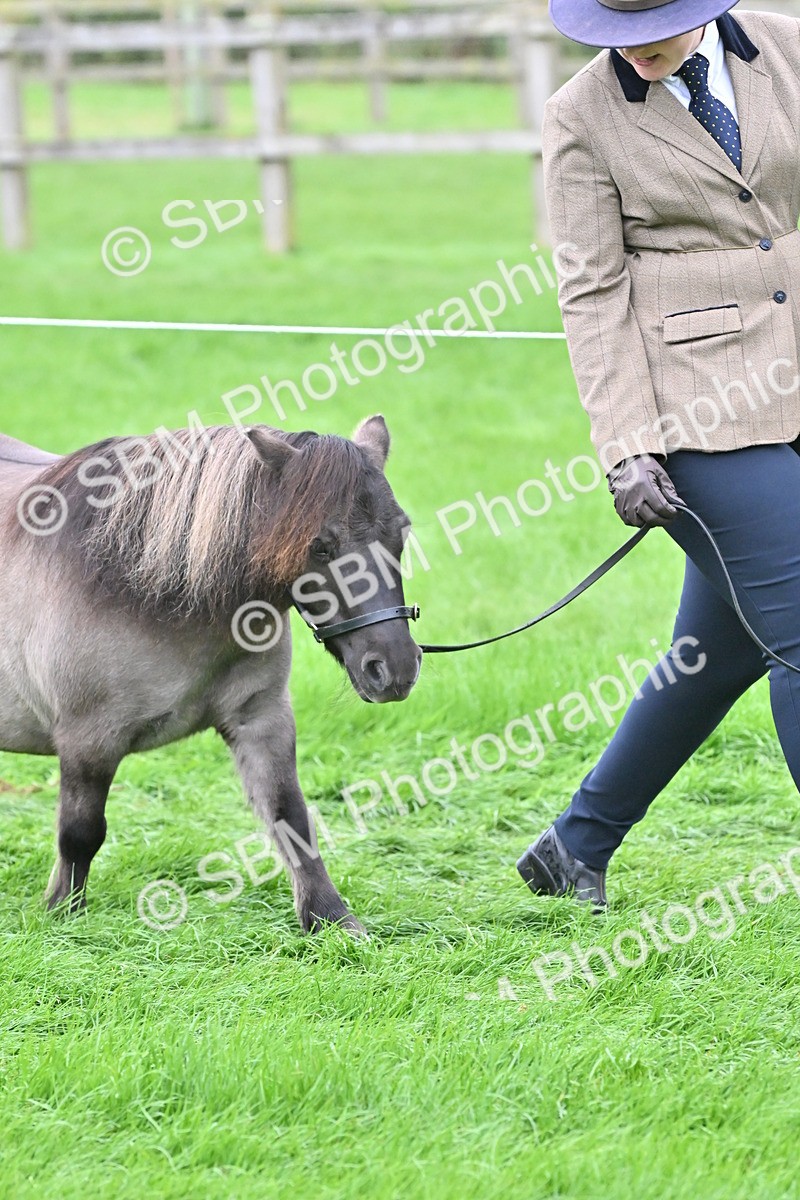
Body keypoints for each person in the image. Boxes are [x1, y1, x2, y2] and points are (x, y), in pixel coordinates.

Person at [515, 0, 800, 911]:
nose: (631, 51)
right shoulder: (581, 115)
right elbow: (591, 293)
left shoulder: (788, 48)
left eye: (654, 30)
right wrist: (626, 446)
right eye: (611, 36)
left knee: (715, 650)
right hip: (700, 411)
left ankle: (574, 848)